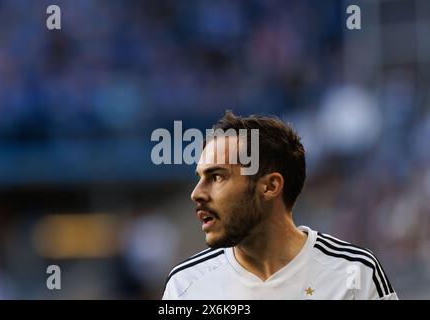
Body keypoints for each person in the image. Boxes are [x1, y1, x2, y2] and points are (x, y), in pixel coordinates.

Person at [162, 111, 398, 300]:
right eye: (200, 177)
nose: (196, 193)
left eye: (217, 177)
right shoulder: (185, 286)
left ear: (270, 186)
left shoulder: (356, 273)